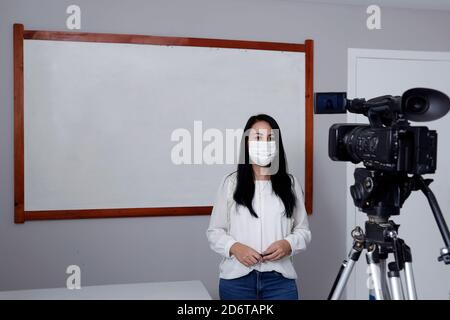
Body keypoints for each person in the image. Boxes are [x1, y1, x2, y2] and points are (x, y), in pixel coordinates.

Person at [206, 114, 311, 300]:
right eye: (258, 137)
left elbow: (303, 231)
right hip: (237, 282)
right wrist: (235, 247)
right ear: (247, 143)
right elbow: (215, 231)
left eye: (270, 138)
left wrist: (288, 244)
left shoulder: (290, 184)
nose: (265, 143)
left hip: (280, 282)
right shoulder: (231, 183)